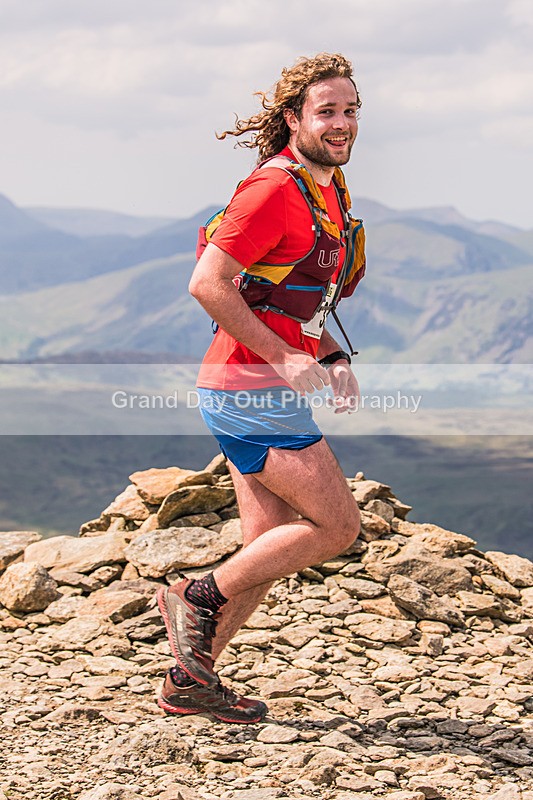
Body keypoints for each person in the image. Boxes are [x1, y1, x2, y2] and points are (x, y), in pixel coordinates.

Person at [157, 52, 365, 724]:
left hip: (253, 383)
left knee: (268, 541)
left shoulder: (327, 186)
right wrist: (282, 357)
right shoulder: (271, 189)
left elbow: (290, 292)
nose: (340, 123)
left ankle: (190, 680)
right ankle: (196, 594)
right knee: (336, 525)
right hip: (247, 387)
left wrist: (328, 352)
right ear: (291, 119)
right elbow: (208, 284)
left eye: (349, 110)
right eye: (325, 111)